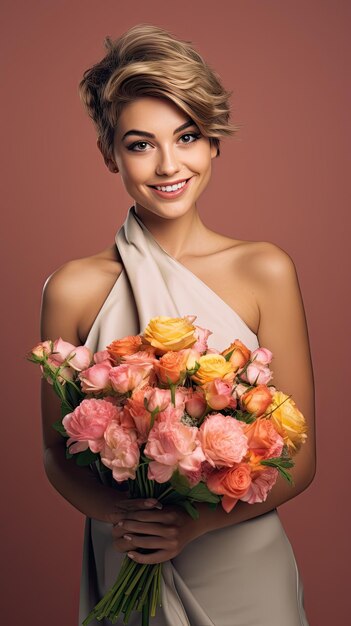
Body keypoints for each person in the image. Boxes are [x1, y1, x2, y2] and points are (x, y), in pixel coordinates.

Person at [40, 23, 316, 626]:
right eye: (140, 144)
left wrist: (191, 525)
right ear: (109, 154)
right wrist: (131, 524)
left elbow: (302, 452)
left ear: (213, 142)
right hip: (131, 552)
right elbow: (57, 454)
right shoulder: (73, 288)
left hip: (242, 560)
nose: (169, 163)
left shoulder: (264, 269)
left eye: (186, 136)